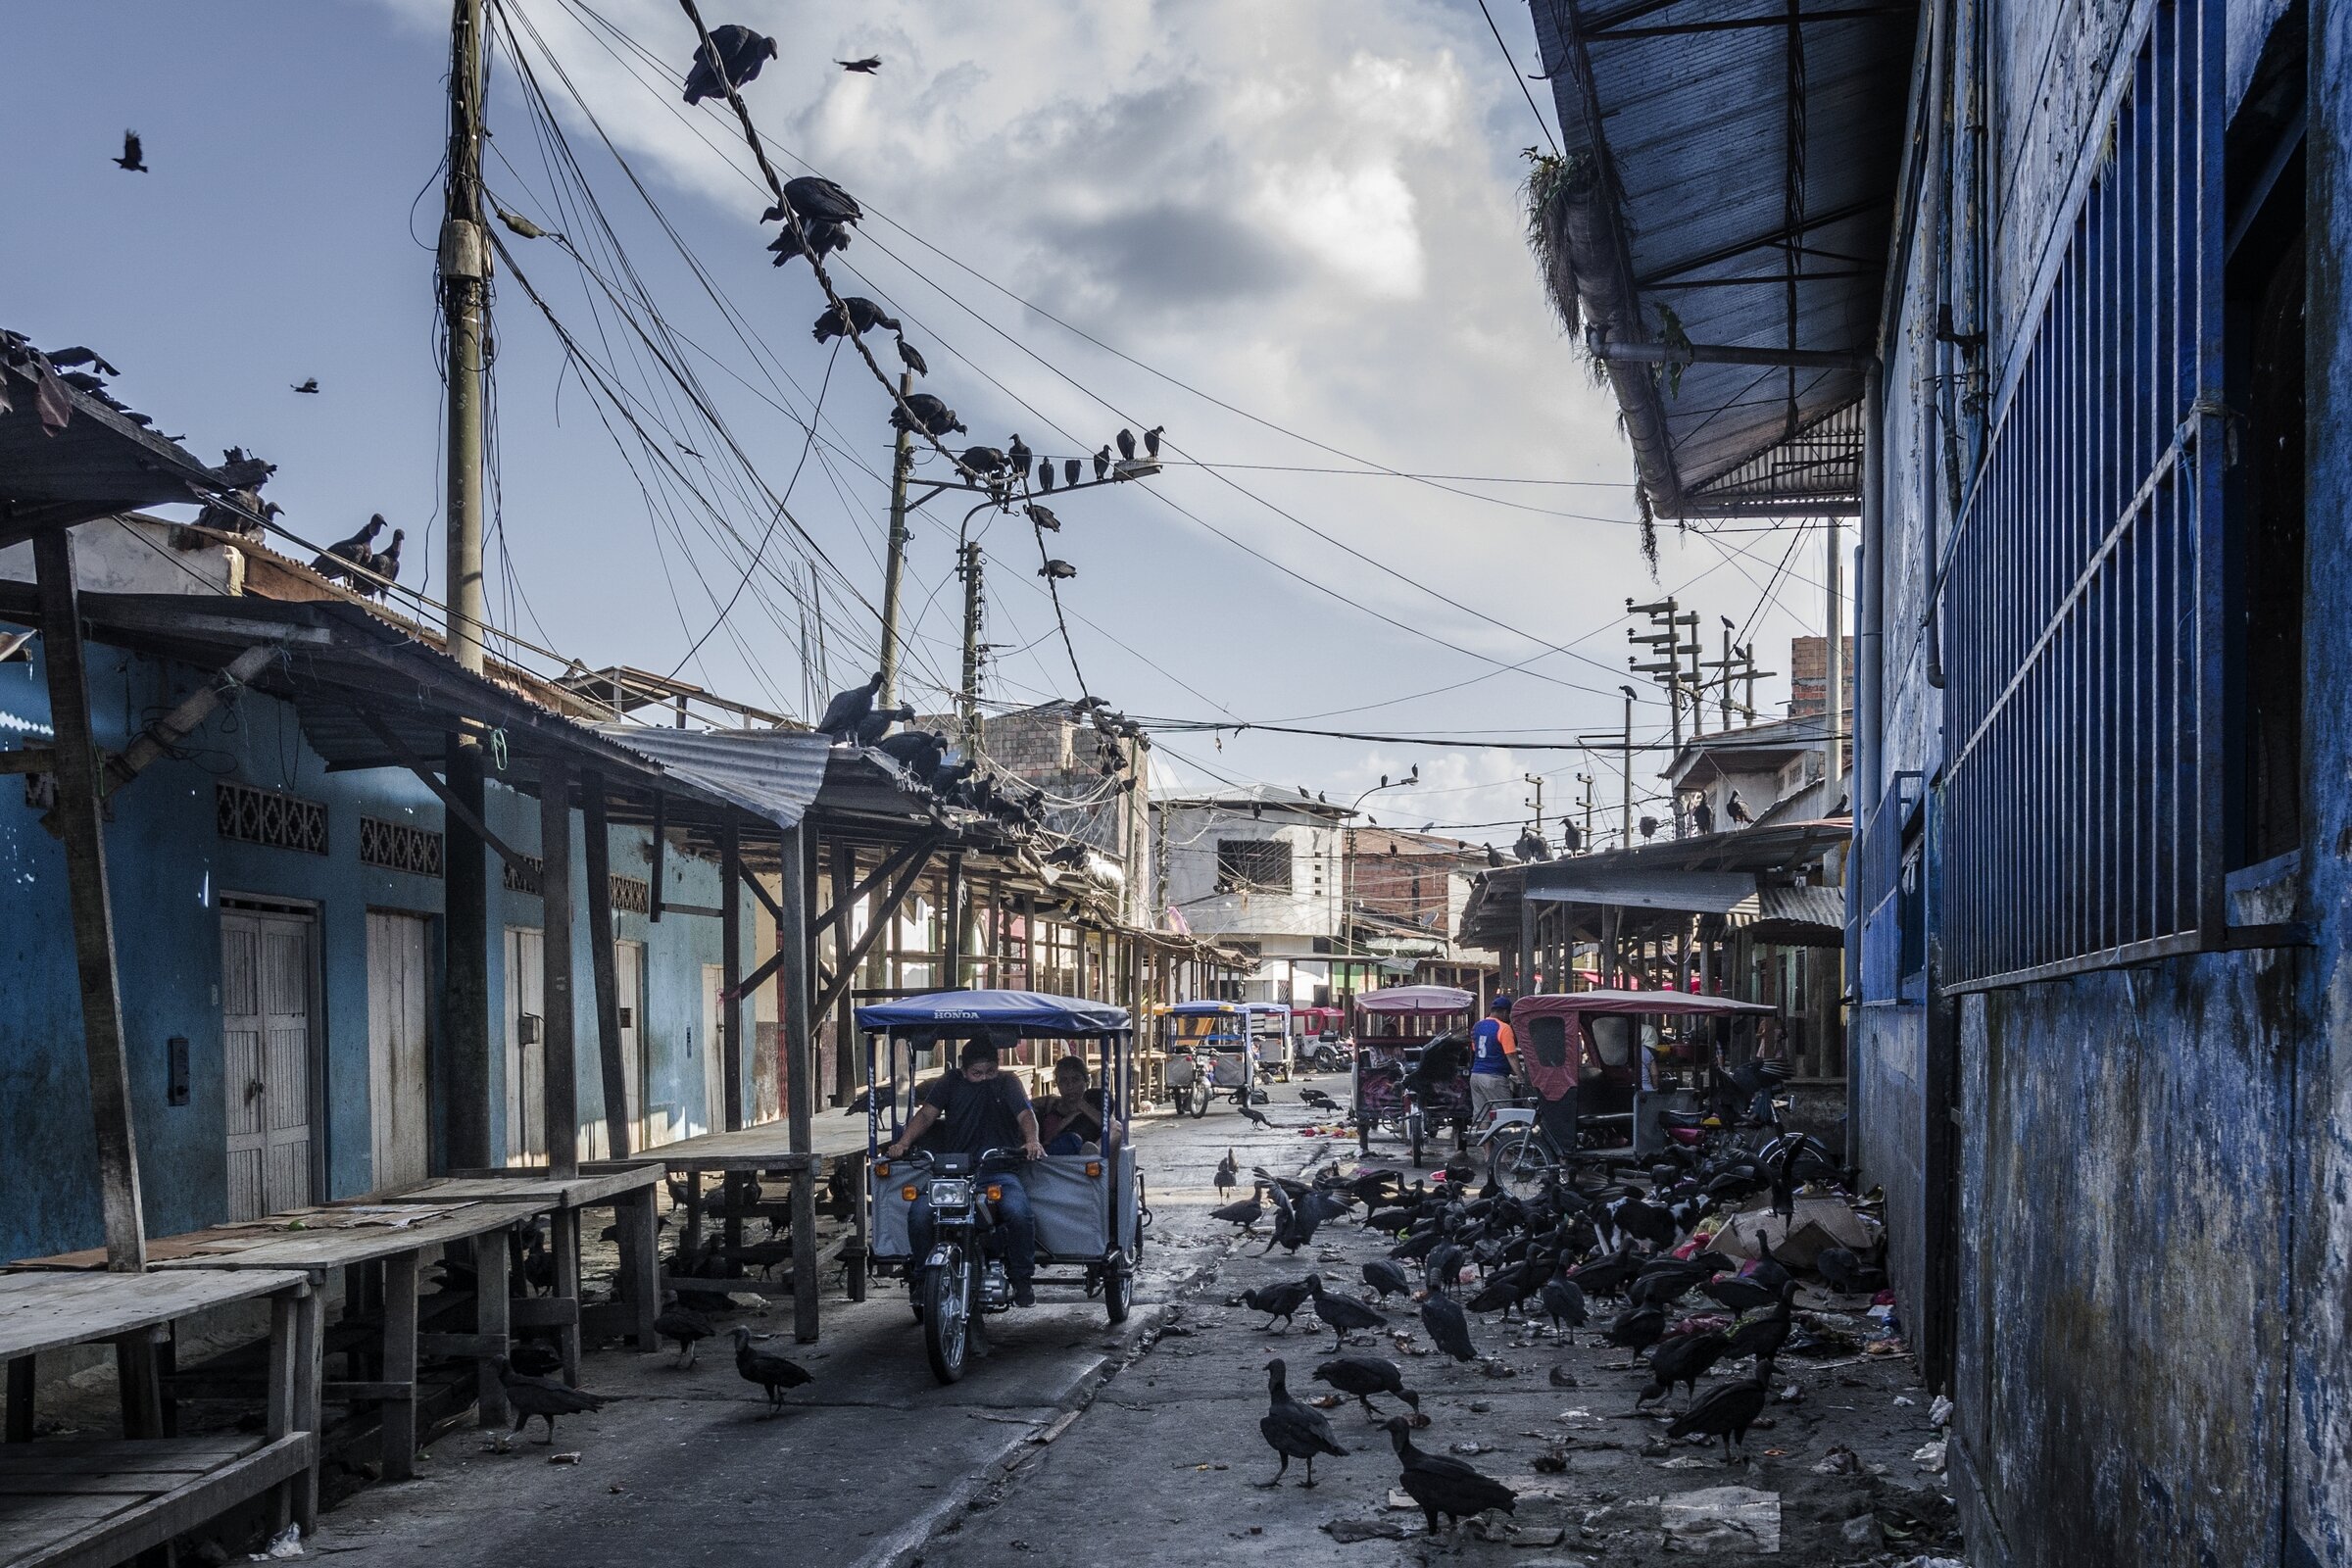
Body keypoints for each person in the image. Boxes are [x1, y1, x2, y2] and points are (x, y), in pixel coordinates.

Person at [883, 1037, 1045, 1306]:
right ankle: (923, 1280)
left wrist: (1032, 1140)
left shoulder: (1008, 1083)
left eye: (989, 1071)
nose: (984, 1078)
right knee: (919, 1214)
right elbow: (925, 1116)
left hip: (997, 1170)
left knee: (1020, 1214)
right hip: (954, 1175)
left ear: (998, 1065)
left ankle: (1021, 1278)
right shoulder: (949, 1082)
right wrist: (903, 1143)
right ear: (963, 1070)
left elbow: (1026, 1115)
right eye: (976, 1073)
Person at [1036, 1055, 1114, 1154]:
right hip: (1051, 1160)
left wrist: (1082, 1107)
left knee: (1116, 1127)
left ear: (1086, 1081)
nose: (1070, 1086)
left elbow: (1112, 1126)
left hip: (1088, 1164)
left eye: (1075, 1080)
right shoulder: (1049, 1104)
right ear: (1057, 1084)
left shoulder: (1095, 1102)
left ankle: (1094, 1152)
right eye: (1064, 1081)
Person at [1468, 994, 1521, 1127]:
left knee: (1482, 1116)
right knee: (1506, 1116)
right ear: (1504, 1012)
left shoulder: (1477, 1026)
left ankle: (1487, 1149)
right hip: (1494, 1078)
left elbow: (1475, 1049)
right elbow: (1511, 1056)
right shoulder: (1504, 1028)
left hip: (1476, 1076)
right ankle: (1506, 1147)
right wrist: (1521, 1077)